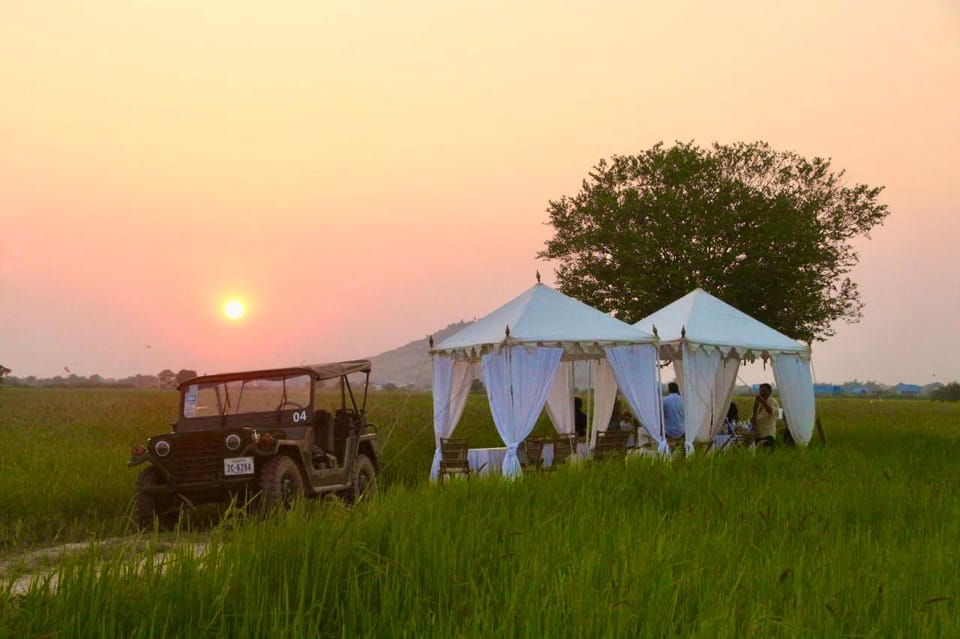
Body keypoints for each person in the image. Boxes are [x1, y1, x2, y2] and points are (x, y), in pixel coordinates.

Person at [751, 383, 780, 448]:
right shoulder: (759, 403)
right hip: (758, 435)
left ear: (770, 392)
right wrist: (755, 406)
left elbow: (770, 411)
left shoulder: (773, 401)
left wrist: (763, 402)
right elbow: (753, 421)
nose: (762, 393)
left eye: (764, 391)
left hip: (768, 435)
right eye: (761, 391)